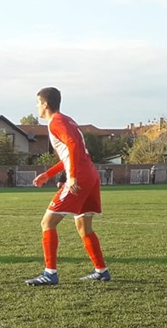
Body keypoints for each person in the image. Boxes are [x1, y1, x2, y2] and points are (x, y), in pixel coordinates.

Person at [26, 87, 110, 286]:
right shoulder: (67, 120)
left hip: (80, 177)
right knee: (84, 227)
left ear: (45, 104)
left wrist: (71, 177)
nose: (37, 106)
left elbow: (72, 145)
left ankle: (50, 273)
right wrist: (48, 175)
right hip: (90, 175)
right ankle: (101, 270)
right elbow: (70, 154)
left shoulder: (56, 121)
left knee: (47, 223)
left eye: (38, 102)